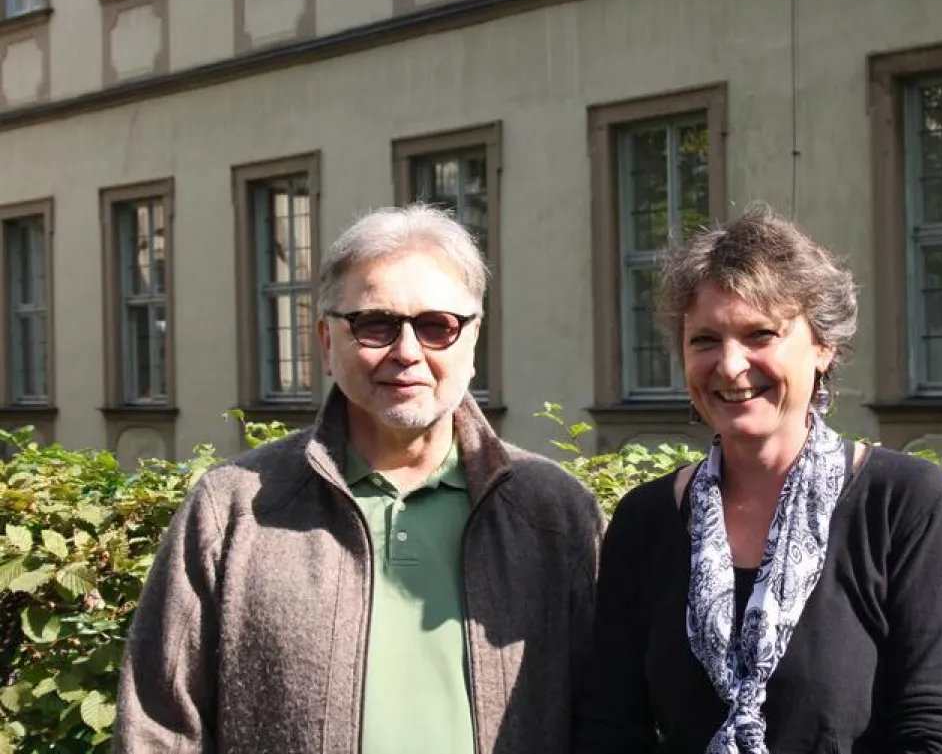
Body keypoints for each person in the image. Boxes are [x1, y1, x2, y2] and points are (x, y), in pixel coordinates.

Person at [113, 205, 605, 754]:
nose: (407, 352)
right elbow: (160, 725)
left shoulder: (553, 513)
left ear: (473, 341)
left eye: (436, 326)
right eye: (376, 325)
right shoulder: (234, 508)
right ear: (326, 341)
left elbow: (606, 718)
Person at [574, 203, 942, 753]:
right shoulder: (647, 520)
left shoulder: (905, 504)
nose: (731, 365)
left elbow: (936, 731)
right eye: (705, 340)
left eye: (761, 334)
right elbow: (611, 729)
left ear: (823, 347)